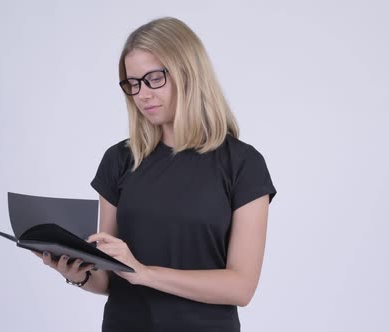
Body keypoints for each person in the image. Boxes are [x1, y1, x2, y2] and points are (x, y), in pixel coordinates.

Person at [36, 17, 276, 332]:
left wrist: (145, 273)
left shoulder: (242, 163)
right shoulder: (119, 159)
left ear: (189, 73)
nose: (142, 94)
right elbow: (108, 277)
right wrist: (76, 271)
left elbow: (241, 287)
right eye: (133, 83)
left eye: (154, 79)